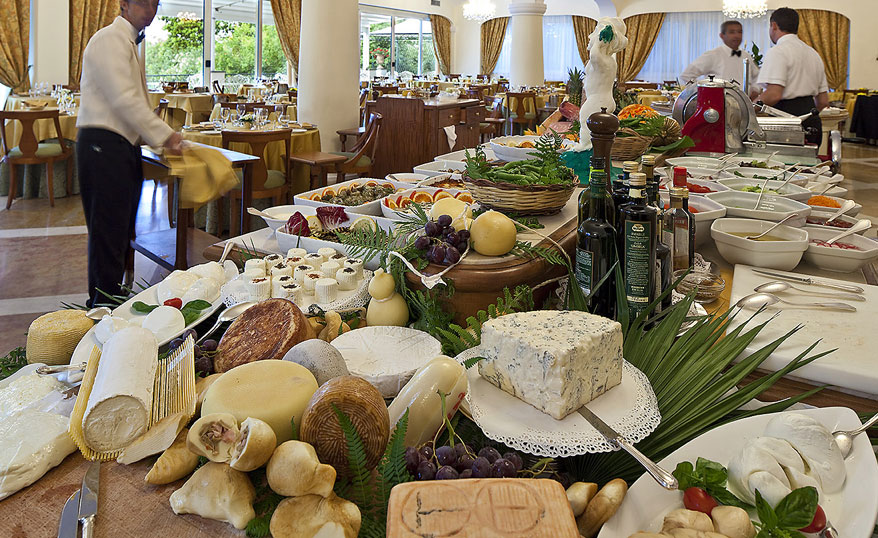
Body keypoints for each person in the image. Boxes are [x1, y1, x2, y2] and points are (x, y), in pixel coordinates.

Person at [76, 0, 184, 307]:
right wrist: (166, 136)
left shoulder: (127, 41)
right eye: (143, 2)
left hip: (120, 146)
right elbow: (125, 99)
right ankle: (102, 304)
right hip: (102, 145)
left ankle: (110, 297)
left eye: (155, 3)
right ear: (124, 4)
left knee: (120, 230)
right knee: (107, 232)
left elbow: (131, 100)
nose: (150, 9)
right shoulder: (109, 39)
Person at [754, 7, 829, 144]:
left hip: (786, 122)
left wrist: (749, 110)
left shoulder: (778, 51)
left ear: (773, 26)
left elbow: (773, 95)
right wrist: (807, 115)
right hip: (812, 120)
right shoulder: (813, 53)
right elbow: (823, 101)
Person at [680, 20, 760, 97]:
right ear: (722, 36)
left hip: (744, 102)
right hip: (718, 102)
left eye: (740, 32)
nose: (737, 35)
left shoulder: (746, 56)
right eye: (732, 32)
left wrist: (755, 90)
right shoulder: (712, 55)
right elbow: (686, 76)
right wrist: (703, 92)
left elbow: (757, 77)